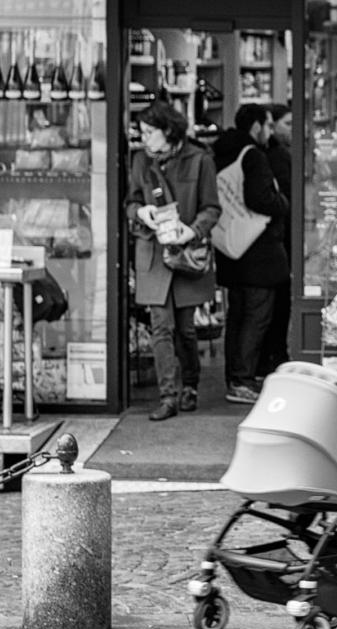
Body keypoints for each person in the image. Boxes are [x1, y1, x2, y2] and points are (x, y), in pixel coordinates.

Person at [125, 101, 220, 422]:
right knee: (160, 326)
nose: (144, 138)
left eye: (150, 132)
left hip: (185, 253)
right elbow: (130, 201)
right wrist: (141, 212)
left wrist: (190, 231)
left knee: (185, 329)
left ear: (169, 131)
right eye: (142, 132)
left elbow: (212, 208)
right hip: (152, 252)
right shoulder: (140, 161)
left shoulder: (199, 160)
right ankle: (168, 396)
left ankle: (190, 384)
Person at [211, 104, 290, 405]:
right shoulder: (253, 156)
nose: (270, 133)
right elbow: (261, 199)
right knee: (257, 317)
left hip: (232, 249)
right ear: (256, 127)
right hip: (259, 254)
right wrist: (283, 201)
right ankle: (242, 380)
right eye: (268, 126)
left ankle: (234, 377)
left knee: (237, 316)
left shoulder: (221, 151)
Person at [259, 102, 294, 377]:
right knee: (273, 306)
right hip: (275, 242)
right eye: (286, 124)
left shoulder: (276, 154)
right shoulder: (277, 157)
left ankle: (270, 359)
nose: (290, 130)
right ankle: (274, 358)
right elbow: (284, 201)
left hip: (275, 242)